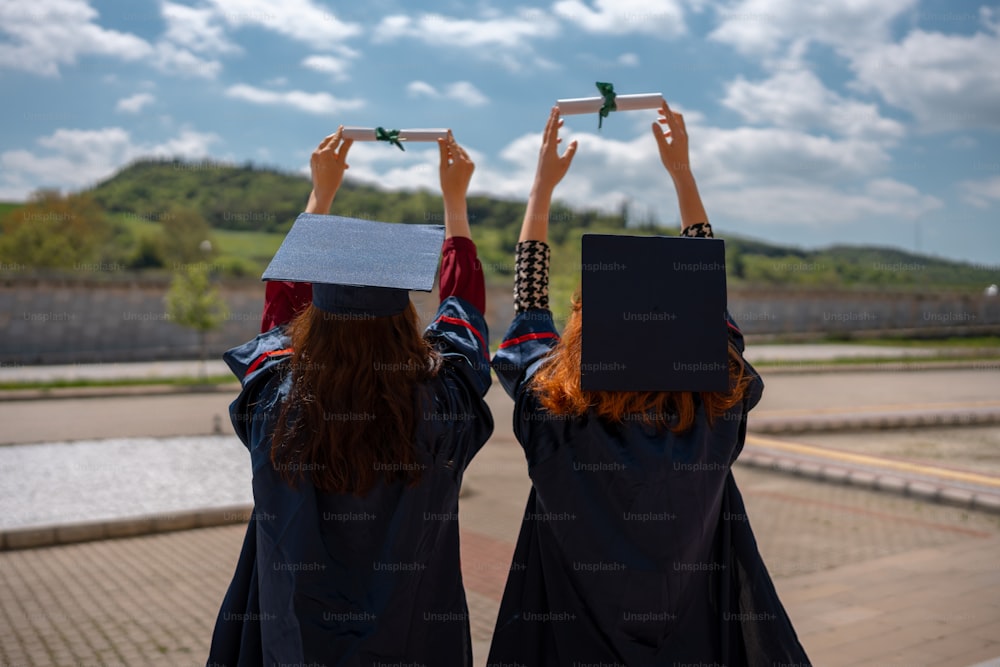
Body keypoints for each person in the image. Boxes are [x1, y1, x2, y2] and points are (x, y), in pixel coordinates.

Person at [488, 105, 811, 665]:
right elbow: (716, 319)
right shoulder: (714, 414)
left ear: (582, 332)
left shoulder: (554, 414)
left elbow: (528, 313)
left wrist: (541, 188)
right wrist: (682, 174)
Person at [207, 128, 493, 666]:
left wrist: (320, 196)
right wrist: (455, 204)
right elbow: (464, 319)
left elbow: (280, 314)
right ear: (404, 320)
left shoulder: (278, 403)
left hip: (297, 647)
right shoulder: (441, 409)